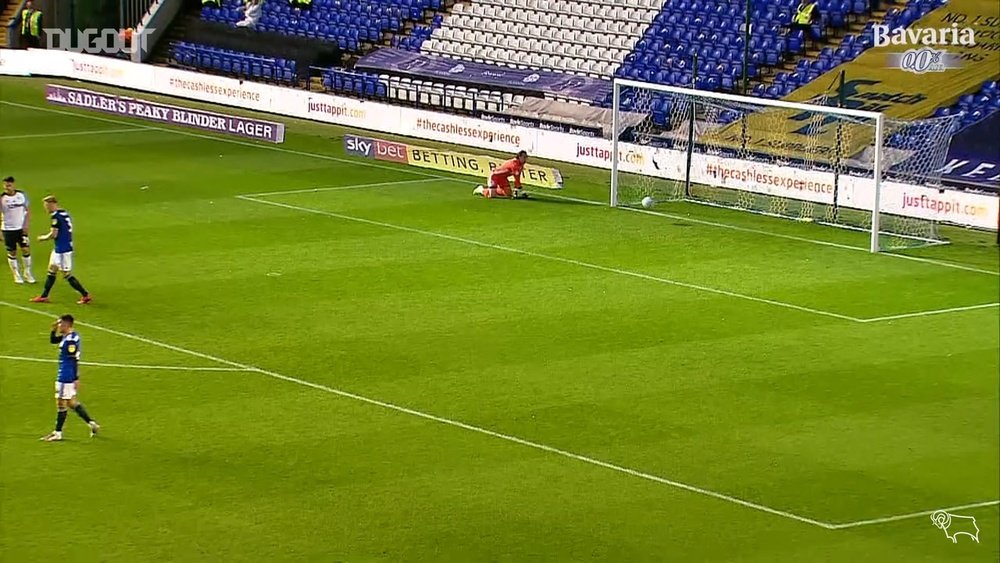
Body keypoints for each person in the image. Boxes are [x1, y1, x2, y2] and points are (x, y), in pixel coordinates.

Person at [41, 314, 100, 442]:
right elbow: (53, 340)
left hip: (66, 376)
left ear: (67, 325)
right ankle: (92, 424)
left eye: (60, 324)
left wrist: (76, 378)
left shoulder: (70, 341)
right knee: (71, 402)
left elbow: (74, 360)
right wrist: (53, 329)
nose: (59, 325)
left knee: (61, 403)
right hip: (66, 374)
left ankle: (58, 432)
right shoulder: (68, 336)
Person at [30, 196, 92, 304]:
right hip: (60, 247)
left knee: (66, 274)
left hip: (63, 249)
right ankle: (44, 296)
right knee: (52, 269)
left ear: (53, 204)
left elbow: (54, 234)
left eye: (47, 205)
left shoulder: (55, 218)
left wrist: (42, 238)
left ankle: (85, 295)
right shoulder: (63, 213)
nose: (46, 208)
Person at [1, 176, 36, 284]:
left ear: (13, 185)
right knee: (12, 252)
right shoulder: (2, 198)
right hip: (8, 229)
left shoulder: (21, 195)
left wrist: (26, 225)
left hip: (21, 229)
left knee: (26, 250)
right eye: (5, 185)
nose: (7, 187)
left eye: (9, 185)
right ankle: (16, 274)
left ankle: (27, 273)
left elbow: (27, 210)